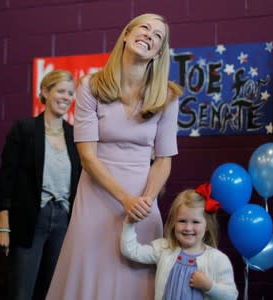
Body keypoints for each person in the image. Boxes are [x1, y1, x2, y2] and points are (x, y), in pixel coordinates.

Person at [46, 13, 182, 300]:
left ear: (159, 53)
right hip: (97, 195)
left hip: (143, 200)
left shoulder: (168, 96)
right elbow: (88, 157)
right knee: (90, 274)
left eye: (157, 35)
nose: (148, 35)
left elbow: (164, 160)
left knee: (136, 274)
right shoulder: (90, 86)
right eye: (144, 27)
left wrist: (145, 199)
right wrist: (125, 199)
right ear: (126, 34)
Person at [0, 70, 81, 300]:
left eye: (70, 93)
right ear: (45, 91)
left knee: (51, 291)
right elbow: (6, 179)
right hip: (31, 218)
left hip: (63, 219)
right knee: (22, 291)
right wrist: (3, 227)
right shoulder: (24, 130)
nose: (66, 97)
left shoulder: (75, 136)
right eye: (60, 91)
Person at [121, 183, 238, 300]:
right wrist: (129, 223)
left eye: (195, 222)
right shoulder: (164, 249)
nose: (188, 228)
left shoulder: (217, 259)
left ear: (207, 225)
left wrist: (209, 286)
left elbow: (232, 296)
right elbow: (131, 251)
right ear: (173, 223)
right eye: (182, 221)